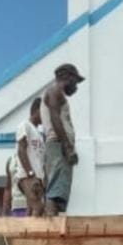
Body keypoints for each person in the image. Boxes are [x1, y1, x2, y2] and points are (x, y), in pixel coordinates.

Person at [41, 64, 85, 216]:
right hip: (58, 145)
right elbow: (55, 118)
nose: (76, 86)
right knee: (55, 190)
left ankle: (54, 221)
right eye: (76, 81)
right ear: (68, 77)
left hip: (59, 145)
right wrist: (67, 146)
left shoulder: (57, 93)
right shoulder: (54, 92)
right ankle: (51, 227)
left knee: (59, 191)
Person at [14, 97, 47, 216]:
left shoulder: (39, 134)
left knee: (31, 210)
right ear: (37, 110)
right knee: (38, 208)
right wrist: (31, 174)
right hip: (28, 177)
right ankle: (31, 234)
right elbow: (21, 150)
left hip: (38, 179)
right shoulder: (25, 125)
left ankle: (25, 233)